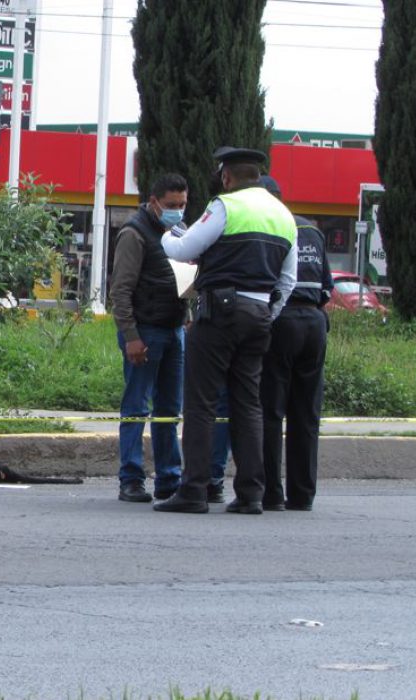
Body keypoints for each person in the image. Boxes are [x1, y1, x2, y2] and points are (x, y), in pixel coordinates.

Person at [153, 146, 297, 515]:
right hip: (259, 314)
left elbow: (185, 249)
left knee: (200, 402)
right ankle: (251, 494)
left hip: (219, 313)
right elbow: (288, 279)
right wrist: (267, 310)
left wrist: (167, 231)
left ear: (227, 176)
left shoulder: (225, 206)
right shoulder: (284, 216)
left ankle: (194, 491)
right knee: (248, 404)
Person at [108, 173, 190, 503]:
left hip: (173, 330)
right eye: (172, 205)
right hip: (145, 332)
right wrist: (131, 336)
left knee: (169, 409)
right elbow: (121, 290)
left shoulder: (179, 233)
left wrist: (188, 320)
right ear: (154, 202)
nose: (178, 211)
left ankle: (169, 479)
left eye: (183, 205)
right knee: (136, 407)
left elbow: (185, 282)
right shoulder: (134, 233)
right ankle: (131, 479)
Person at [257, 175, 333, 512]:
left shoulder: (269, 228)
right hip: (314, 324)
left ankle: (270, 493)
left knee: (271, 411)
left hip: (281, 320)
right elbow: (327, 288)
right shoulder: (312, 231)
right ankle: (303, 495)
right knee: (306, 414)